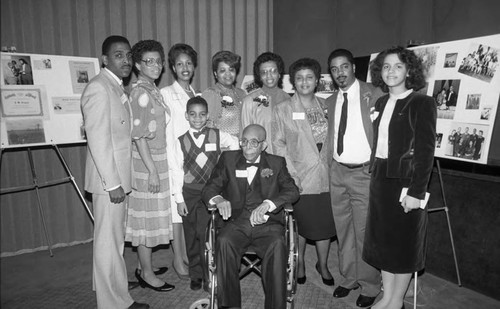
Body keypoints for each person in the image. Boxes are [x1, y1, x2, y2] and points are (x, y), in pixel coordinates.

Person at [363, 46, 437, 309]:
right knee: (383, 241)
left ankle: (396, 300)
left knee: (403, 243)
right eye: (385, 66)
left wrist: (416, 192)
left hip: (406, 181)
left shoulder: (422, 102)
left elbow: (426, 152)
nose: (391, 71)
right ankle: (387, 295)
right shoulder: (381, 102)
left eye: (397, 66)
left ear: (409, 70)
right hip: (381, 177)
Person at [80, 35, 149, 309]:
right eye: (118, 55)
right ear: (104, 59)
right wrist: (112, 184)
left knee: (113, 240)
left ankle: (111, 283)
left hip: (117, 177)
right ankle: (113, 303)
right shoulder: (99, 88)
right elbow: (98, 140)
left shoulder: (115, 86)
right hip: (108, 181)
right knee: (109, 243)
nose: (126, 60)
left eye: (128, 55)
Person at [202, 124, 300, 309]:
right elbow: (210, 187)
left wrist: (269, 204)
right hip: (236, 223)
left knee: (278, 245)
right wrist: (219, 199)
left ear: (263, 145)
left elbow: (292, 191)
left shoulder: (276, 163)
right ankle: (230, 305)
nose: (247, 146)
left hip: (268, 226)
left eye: (253, 142)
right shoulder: (229, 159)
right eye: (244, 141)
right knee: (223, 242)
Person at [325, 49, 384, 308]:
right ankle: (349, 278)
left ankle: (370, 284)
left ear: (353, 68)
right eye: (335, 69)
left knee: (363, 231)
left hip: (364, 173)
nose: (340, 73)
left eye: (344, 67)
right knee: (343, 229)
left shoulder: (375, 94)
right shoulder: (329, 101)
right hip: (337, 171)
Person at [273, 58, 336, 288]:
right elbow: (278, 145)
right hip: (300, 176)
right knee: (302, 224)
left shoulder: (328, 105)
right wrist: (290, 175)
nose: (304, 82)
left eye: (309, 77)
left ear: (317, 80)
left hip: (328, 175)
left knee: (325, 225)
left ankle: (323, 264)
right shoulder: (283, 109)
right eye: (299, 78)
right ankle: (299, 263)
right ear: (293, 82)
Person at [171, 96, 239, 291]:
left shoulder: (217, 135)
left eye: (202, 115)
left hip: (210, 192)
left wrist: (226, 168)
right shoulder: (180, 141)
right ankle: (196, 273)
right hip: (189, 193)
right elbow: (176, 170)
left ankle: (210, 273)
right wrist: (179, 199)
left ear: (207, 116)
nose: (197, 119)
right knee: (191, 234)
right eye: (193, 115)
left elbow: (235, 144)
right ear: (186, 116)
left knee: (206, 233)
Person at [125, 39, 175, 293]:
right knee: (145, 221)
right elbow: (139, 136)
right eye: (149, 61)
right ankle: (145, 273)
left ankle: (146, 265)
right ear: (137, 64)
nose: (155, 65)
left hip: (157, 158)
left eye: (158, 60)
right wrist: (153, 171)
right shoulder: (141, 93)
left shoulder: (151, 89)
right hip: (147, 163)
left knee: (152, 217)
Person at [161, 43, 199, 279]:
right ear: (173, 68)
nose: (184, 68)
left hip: (195, 161)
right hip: (175, 159)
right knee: (176, 211)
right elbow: (165, 133)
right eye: (179, 64)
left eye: (188, 63)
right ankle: (177, 259)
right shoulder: (165, 94)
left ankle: (186, 254)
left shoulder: (197, 94)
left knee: (190, 211)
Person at [241, 52, 290, 154]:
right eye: (264, 72)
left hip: (286, 158)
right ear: (259, 76)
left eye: (273, 71)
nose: (269, 76)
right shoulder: (250, 100)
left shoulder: (289, 100)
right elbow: (245, 135)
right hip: (260, 158)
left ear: (279, 73)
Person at [201, 50, 246, 137]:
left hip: (244, 147)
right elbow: (206, 128)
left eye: (231, 69)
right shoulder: (211, 94)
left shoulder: (242, 94)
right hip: (223, 148)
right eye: (222, 70)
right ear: (215, 73)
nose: (228, 74)